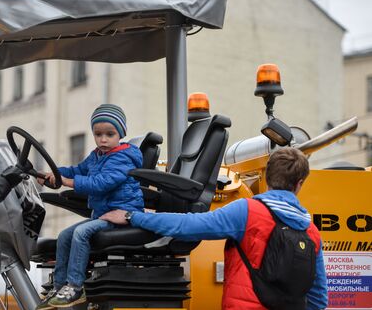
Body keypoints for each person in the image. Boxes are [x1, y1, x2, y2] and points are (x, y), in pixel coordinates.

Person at [101, 147, 328, 310]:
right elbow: (319, 298)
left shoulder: (247, 211)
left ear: (267, 177)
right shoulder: (311, 231)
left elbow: (188, 225)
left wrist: (134, 217)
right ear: (300, 184)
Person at [36, 104, 144, 309]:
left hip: (122, 215)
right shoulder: (97, 156)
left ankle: (75, 287)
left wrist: (67, 182)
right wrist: (53, 173)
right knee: (66, 235)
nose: (103, 139)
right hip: (103, 215)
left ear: (120, 134)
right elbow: (77, 169)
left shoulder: (123, 158)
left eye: (109, 134)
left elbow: (100, 184)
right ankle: (60, 286)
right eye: (98, 134)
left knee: (81, 233)